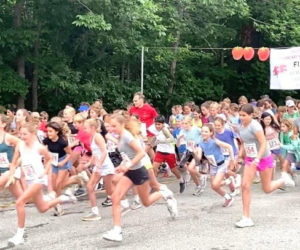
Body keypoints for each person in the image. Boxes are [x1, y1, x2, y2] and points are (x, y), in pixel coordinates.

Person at [102, 114, 177, 242]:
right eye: (110, 126)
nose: (111, 128)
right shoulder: (119, 137)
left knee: (146, 202)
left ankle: (162, 193)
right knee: (115, 198)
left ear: (121, 125)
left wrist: (129, 165)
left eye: (114, 126)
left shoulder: (126, 136)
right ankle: (117, 231)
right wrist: (121, 166)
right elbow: (127, 156)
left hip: (139, 172)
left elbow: (141, 153)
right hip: (129, 173)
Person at [6, 122, 76, 246]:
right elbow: (14, 162)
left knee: (19, 202)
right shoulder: (20, 146)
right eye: (20, 134)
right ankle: (64, 198)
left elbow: (49, 159)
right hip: (29, 179)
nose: (22, 136)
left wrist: (45, 171)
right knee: (42, 208)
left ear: (33, 134)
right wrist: (11, 174)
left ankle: (19, 235)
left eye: (25, 134)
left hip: (38, 180)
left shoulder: (39, 147)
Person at [235, 104, 294, 228]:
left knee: (266, 189)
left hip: (264, 158)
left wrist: (258, 158)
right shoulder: (240, 127)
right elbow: (244, 144)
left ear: (251, 115)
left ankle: (284, 179)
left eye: (244, 115)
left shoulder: (255, 126)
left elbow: (263, 143)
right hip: (250, 159)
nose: (241, 117)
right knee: (245, 186)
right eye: (240, 115)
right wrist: (239, 157)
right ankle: (246, 218)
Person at [81, 119, 115, 221]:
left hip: (105, 166)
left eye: (86, 128)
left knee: (110, 191)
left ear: (93, 128)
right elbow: (95, 154)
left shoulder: (98, 136)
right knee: (90, 187)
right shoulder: (91, 137)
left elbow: (104, 152)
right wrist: (88, 163)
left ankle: (123, 203)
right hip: (99, 166)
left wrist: (99, 165)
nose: (84, 129)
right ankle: (95, 212)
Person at [195, 124, 235, 206]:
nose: (203, 133)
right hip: (213, 166)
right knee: (214, 187)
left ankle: (229, 181)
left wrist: (232, 160)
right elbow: (198, 158)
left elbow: (229, 147)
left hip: (221, 165)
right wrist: (194, 153)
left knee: (215, 184)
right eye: (202, 131)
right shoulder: (201, 143)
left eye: (206, 131)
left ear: (211, 133)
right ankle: (228, 197)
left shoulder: (215, 141)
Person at [43, 121, 72, 216]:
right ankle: (58, 204)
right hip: (53, 161)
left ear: (56, 132)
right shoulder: (46, 140)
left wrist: (63, 162)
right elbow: (45, 153)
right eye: (47, 131)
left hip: (63, 160)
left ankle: (59, 204)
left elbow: (69, 153)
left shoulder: (62, 142)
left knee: (59, 183)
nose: (48, 133)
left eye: (50, 131)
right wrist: (45, 164)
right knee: (55, 185)